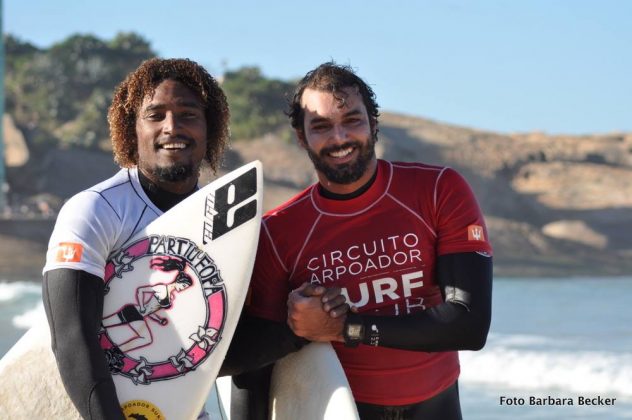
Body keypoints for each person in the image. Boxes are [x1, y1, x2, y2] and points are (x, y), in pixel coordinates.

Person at [238, 62, 493, 420]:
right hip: (344, 408)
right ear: (301, 137)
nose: (339, 138)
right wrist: (296, 324)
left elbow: (469, 324)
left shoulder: (438, 191)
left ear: (374, 123)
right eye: (322, 126)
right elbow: (255, 364)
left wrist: (345, 328)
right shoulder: (277, 232)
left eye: (352, 120)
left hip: (438, 405)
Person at [42, 58, 230, 419]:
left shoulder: (221, 221)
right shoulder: (96, 210)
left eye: (188, 114)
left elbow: (222, 340)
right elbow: (72, 341)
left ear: (211, 128)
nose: (172, 127)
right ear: (132, 129)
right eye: (155, 115)